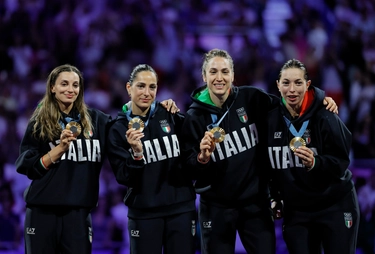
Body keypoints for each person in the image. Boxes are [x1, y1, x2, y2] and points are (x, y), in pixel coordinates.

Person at [180, 49, 337, 254]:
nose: (219, 78)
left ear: (233, 75)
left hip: (255, 204)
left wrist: (319, 100)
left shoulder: (250, 97)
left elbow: (287, 102)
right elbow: (188, 168)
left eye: (225, 72)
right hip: (216, 207)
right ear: (204, 76)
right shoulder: (194, 117)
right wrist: (202, 158)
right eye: (213, 72)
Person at [15, 64, 112, 254]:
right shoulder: (39, 122)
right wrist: (58, 150)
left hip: (78, 215)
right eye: (64, 84)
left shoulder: (97, 121)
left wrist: (159, 109)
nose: (70, 89)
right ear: (52, 87)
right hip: (42, 212)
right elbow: (26, 165)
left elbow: (126, 127)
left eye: (75, 85)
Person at [267, 59, 359, 254]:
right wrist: (274, 197)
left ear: (308, 85)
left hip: (334, 205)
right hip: (297, 211)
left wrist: (315, 163)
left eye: (298, 83)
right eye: (286, 83)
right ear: (278, 85)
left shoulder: (325, 115)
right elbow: (268, 167)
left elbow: (341, 162)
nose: (292, 89)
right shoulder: (270, 119)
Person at [106, 64, 196, 254]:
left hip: (181, 209)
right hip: (144, 214)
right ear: (129, 88)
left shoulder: (170, 115)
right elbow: (123, 176)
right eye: (141, 86)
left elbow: (190, 156)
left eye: (152, 87)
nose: (147, 92)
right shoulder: (118, 129)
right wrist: (137, 155)